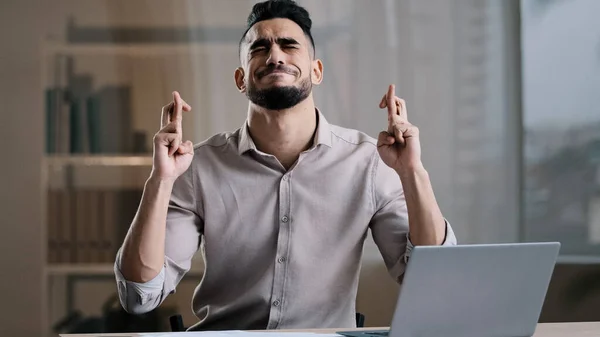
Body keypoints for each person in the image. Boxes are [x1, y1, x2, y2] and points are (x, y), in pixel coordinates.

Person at [114, 0, 457, 331]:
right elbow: (140, 296)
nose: (275, 56)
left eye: (289, 45)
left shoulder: (369, 162)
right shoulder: (199, 166)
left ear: (317, 70)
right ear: (240, 79)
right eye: (259, 49)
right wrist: (160, 179)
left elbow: (434, 279)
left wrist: (412, 172)